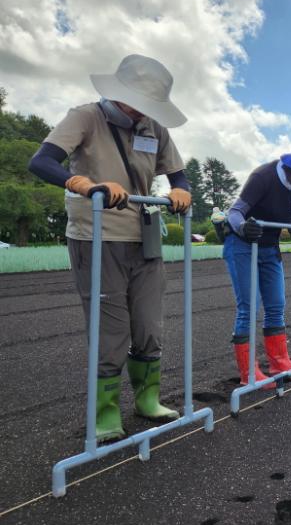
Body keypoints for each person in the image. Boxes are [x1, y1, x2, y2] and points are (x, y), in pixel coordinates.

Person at [27, 54, 190, 443]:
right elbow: (42, 161)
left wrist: (181, 188)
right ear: (115, 93)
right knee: (110, 330)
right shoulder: (85, 117)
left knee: (149, 324)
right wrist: (81, 183)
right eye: (136, 103)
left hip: (144, 236)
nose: (140, 114)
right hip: (96, 235)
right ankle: (105, 413)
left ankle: (148, 401)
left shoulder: (154, 127)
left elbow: (177, 172)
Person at [219, 139, 291, 386]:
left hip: (269, 247)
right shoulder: (263, 176)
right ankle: (248, 372)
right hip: (242, 244)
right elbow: (235, 212)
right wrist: (242, 228)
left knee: (276, 304)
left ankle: (279, 360)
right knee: (249, 307)